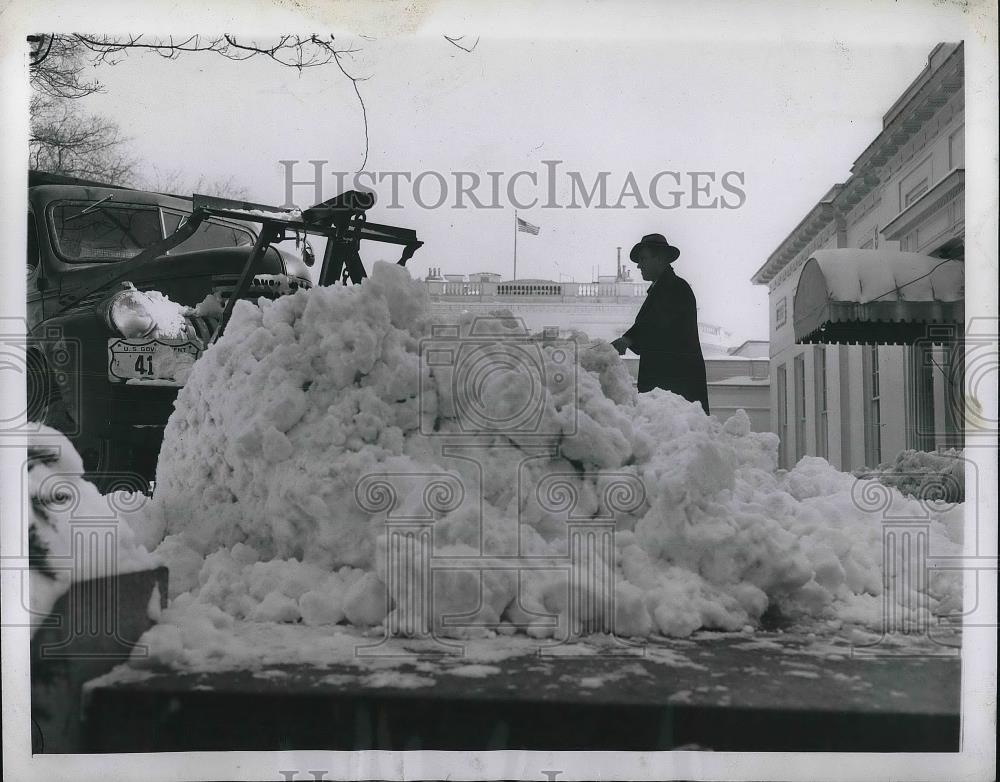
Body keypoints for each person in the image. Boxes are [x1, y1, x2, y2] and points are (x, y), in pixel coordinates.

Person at [611, 233, 710, 414]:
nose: (639, 265)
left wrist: (627, 340)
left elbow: (656, 323)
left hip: (674, 391)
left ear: (660, 259)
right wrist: (628, 339)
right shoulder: (664, 288)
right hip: (670, 389)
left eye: (643, 259)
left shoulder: (674, 288)